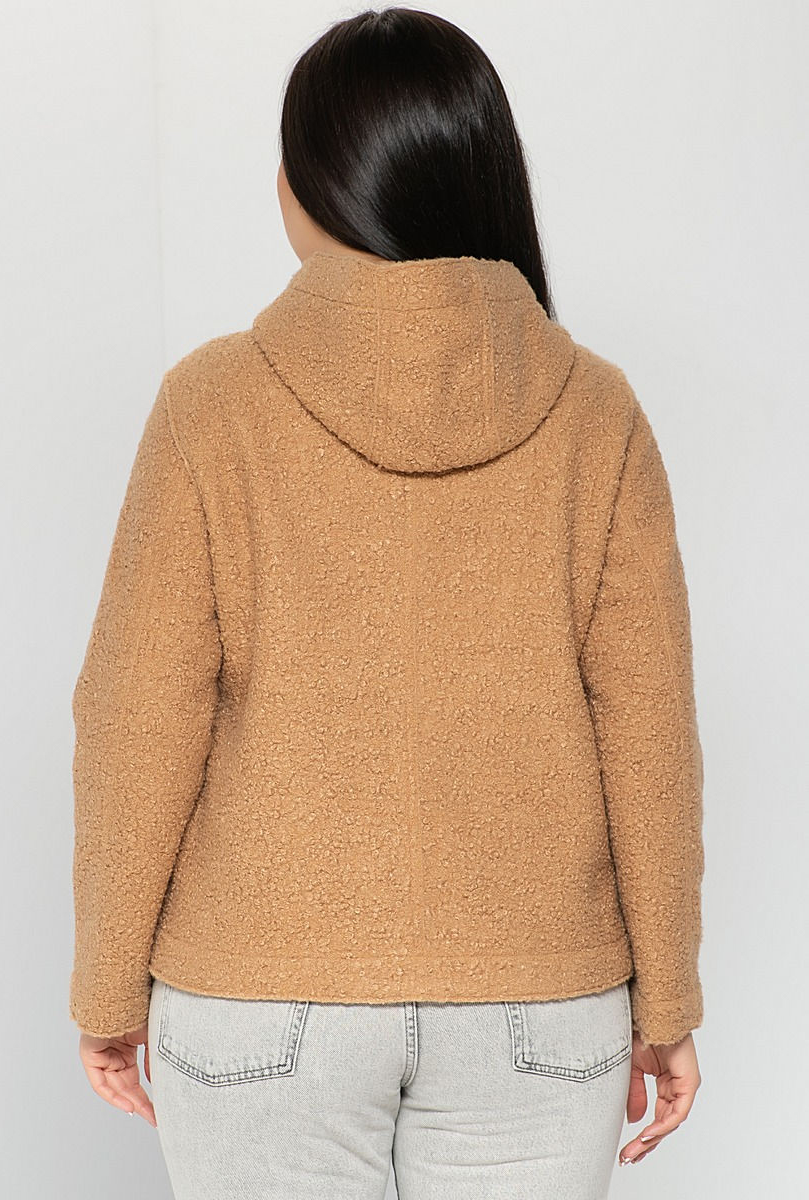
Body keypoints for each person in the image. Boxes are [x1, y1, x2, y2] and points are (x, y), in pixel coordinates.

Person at [70, 8, 704, 1198]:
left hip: (261, 993)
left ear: (309, 188)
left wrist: (108, 983)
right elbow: (650, 727)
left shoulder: (211, 406)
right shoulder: (596, 412)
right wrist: (667, 996)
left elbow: (138, 714)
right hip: (540, 1001)